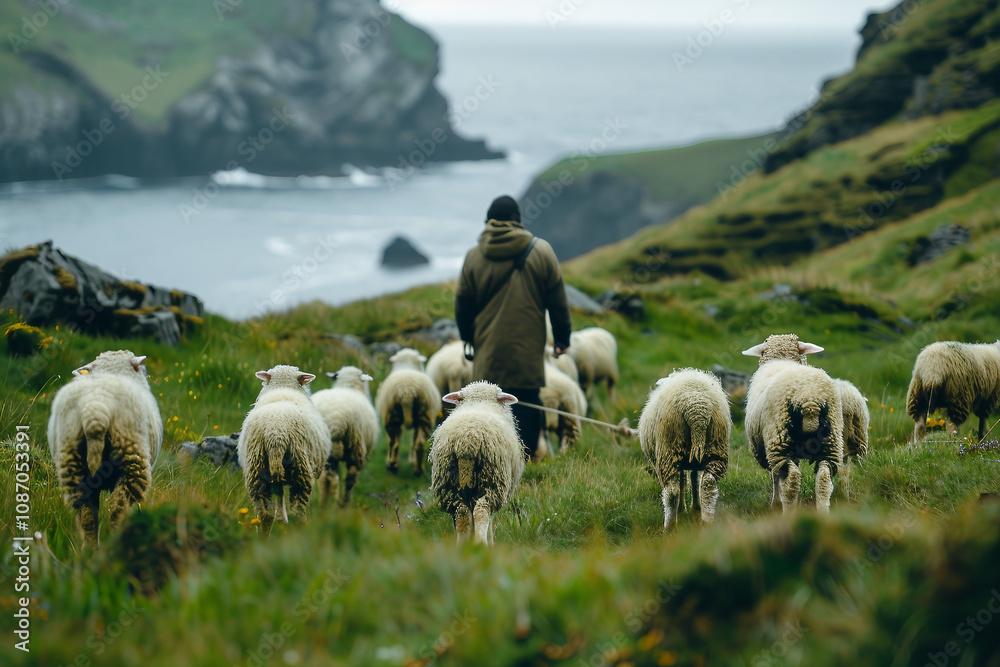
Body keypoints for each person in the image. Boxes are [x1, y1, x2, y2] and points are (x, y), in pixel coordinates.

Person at [455, 195, 572, 460]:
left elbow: (462, 307)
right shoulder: (542, 251)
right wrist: (562, 339)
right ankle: (525, 464)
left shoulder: (473, 257)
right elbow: (558, 303)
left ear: (488, 222)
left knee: (488, 407)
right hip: (526, 355)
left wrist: (469, 340)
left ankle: (489, 463)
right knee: (527, 406)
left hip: (488, 352)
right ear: (518, 221)